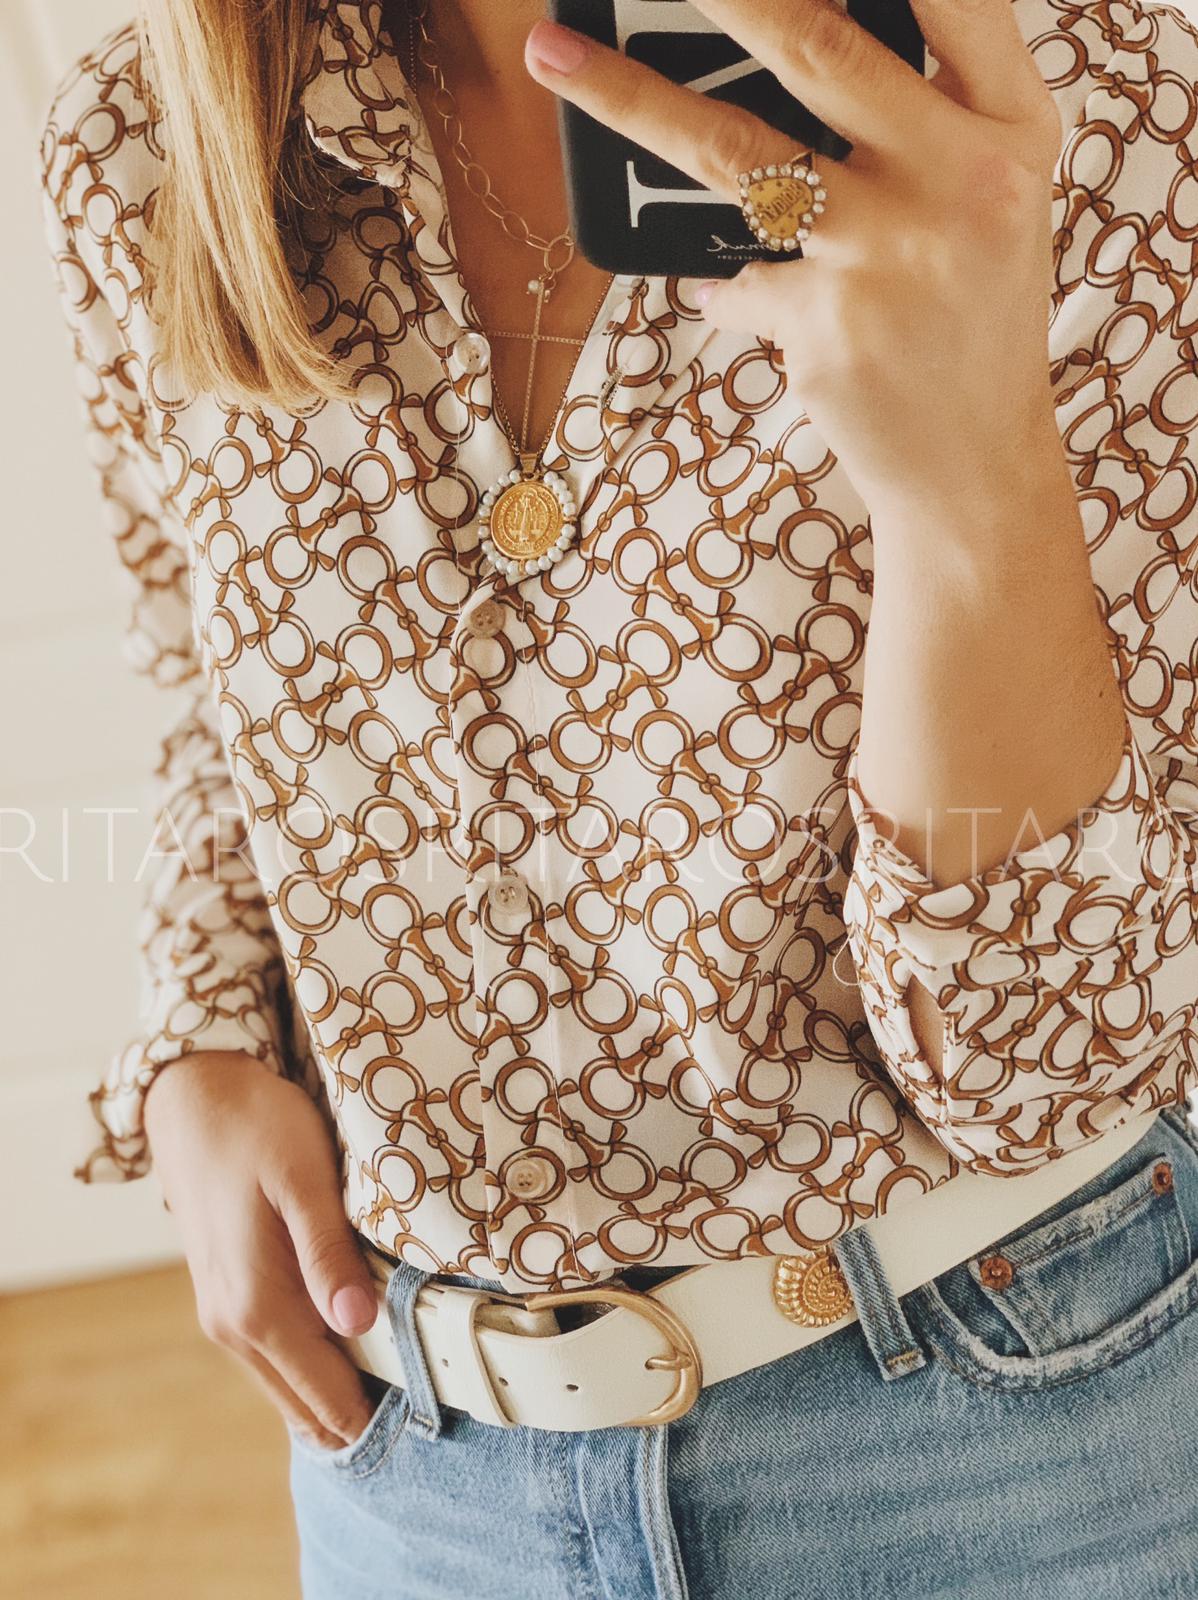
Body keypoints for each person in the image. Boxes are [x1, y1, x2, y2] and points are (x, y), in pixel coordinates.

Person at [39, 0, 1198, 1594]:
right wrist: (205, 1033)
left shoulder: (1072, 106)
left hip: (1009, 1447)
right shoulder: (150, 140)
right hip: (417, 1476)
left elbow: (1046, 1066)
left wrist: (968, 478)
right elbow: (195, 655)